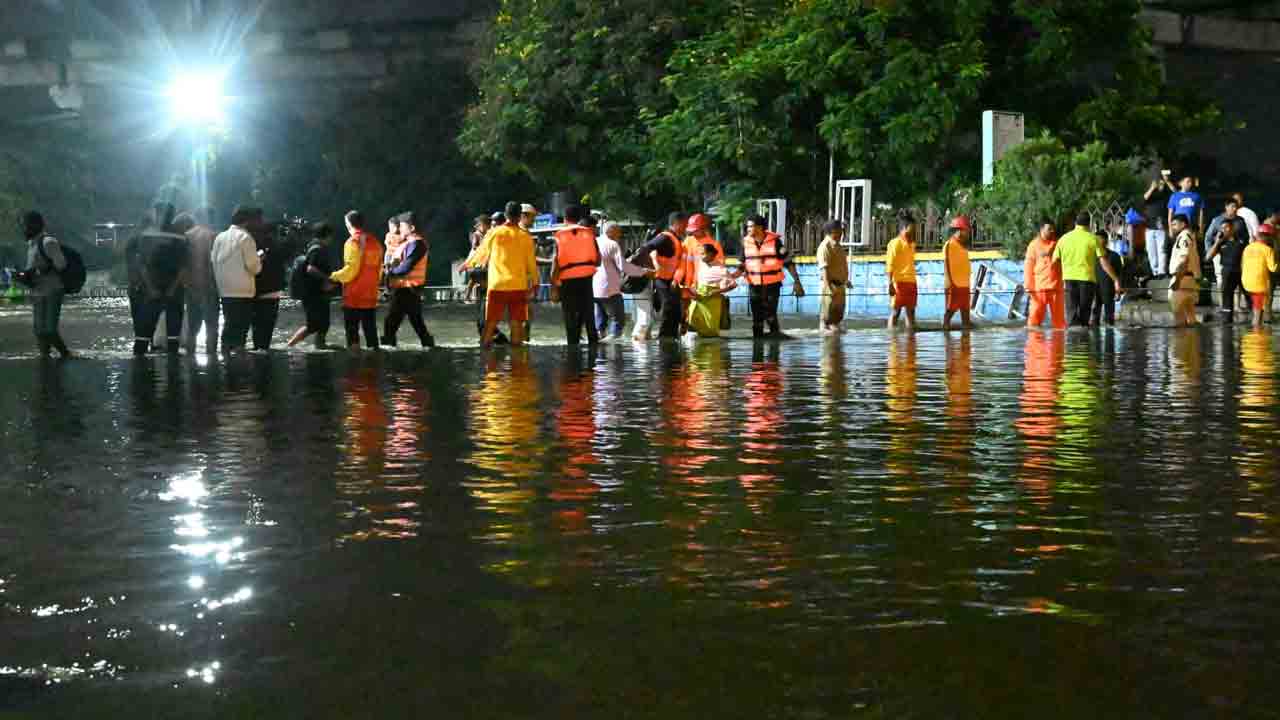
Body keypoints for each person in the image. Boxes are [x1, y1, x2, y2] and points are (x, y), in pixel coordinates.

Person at [470, 201, 538, 347]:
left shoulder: (494, 233)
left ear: (506, 215)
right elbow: (531, 264)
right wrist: (536, 284)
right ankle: (517, 366)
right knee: (516, 325)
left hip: (497, 285)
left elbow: (480, 255)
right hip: (518, 285)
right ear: (520, 216)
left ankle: (487, 364)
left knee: (490, 324)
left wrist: (467, 265)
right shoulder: (526, 237)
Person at [127, 203, 189, 355]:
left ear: (157, 213)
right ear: (173, 215)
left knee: (142, 336)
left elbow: (142, 265)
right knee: (173, 339)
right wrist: (173, 289)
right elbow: (183, 267)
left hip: (150, 291)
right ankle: (174, 373)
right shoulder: (181, 238)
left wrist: (151, 288)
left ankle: (141, 372)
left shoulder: (145, 236)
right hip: (174, 292)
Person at [733, 214, 804, 338]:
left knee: (770, 314)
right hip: (754, 285)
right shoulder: (745, 243)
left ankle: (774, 348)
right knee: (756, 318)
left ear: (760, 227)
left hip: (772, 284)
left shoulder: (775, 242)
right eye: (747, 227)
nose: (748, 229)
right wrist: (731, 277)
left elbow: (788, 263)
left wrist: (797, 282)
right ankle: (757, 347)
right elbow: (741, 266)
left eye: (751, 227)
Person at [1052, 213, 1122, 327]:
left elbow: (1054, 262)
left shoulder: (1063, 239)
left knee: (1071, 313)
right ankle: (1084, 341)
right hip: (1087, 281)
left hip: (1069, 280)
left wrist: (1063, 273)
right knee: (1085, 314)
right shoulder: (1093, 239)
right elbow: (1104, 263)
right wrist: (1116, 279)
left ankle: (1072, 341)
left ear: (1075, 223)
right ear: (1088, 224)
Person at [212, 205, 264, 355]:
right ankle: (237, 364)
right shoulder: (245, 237)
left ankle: (224, 358)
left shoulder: (219, 237)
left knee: (229, 325)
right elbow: (254, 267)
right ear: (247, 221)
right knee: (240, 330)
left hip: (224, 289)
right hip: (243, 291)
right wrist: (259, 259)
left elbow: (213, 261)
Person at [20, 211, 72, 359]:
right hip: (37, 291)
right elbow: (32, 268)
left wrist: (41, 270)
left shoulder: (49, 242)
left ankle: (66, 354)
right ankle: (45, 360)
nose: (24, 229)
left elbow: (61, 265)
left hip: (53, 290)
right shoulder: (31, 244)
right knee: (38, 331)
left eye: (26, 225)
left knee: (49, 330)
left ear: (35, 225)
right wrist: (24, 276)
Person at [330, 210, 384, 350]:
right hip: (370, 294)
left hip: (354, 296)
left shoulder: (352, 242)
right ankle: (375, 364)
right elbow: (380, 270)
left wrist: (333, 276)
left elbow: (351, 270)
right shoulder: (376, 242)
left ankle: (354, 366)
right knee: (370, 331)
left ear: (348, 224)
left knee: (352, 332)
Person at [550, 204, 602, 346]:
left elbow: (556, 262)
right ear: (579, 218)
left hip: (567, 281)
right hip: (586, 279)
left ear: (565, 219)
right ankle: (593, 351)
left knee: (570, 318)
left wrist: (553, 285)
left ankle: (572, 350)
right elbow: (598, 261)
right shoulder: (589, 234)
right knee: (589, 316)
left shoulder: (559, 235)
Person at [382, 211, 434, 347]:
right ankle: (430, 348)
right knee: (417, 323)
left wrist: (389, 273)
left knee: (390, 323)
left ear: (412, 228)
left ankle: (387, 352)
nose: (400, 229)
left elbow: (406, 267)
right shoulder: (409, 243)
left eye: (403, 226)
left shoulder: (417, 244)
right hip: (407, 289)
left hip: (407, 289)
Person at [593, 221, 651, 341]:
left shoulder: (595, 241)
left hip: (594, 289)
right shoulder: (612, 244)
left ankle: (599, 351)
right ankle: (611, 349)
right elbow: (624, 267)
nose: (620, 235)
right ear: (611, 231)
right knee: (618, 323)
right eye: (618, 231)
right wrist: (644, 271)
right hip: (610, 289)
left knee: (600, 325)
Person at [287, 222, 336, 349]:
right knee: (313, 325)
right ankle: (290, 345)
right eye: (331, 236)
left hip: (318, 293)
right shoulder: (317, 249)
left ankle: (320, 345)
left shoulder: (316, 247)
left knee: (324, 323)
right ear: (327, 235)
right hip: (313, 294)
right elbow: (310, 269)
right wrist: (328, 279)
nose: (332, 239)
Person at [675, 213, 724, 332]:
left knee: (702, 316)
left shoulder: (714, 245)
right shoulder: (688, 242)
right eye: (692, 231)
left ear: (704, 229)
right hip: (688, 287)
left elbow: (719, 268)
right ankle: (685, 338)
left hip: (705, 288)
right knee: (685, 316)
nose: (693, 233)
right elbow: (682, 263)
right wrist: (677, 280)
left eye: (696, 230)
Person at [179, 208, 219, 355]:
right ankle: (212, 361)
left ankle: (191, 362)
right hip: (210, 287)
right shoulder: (214, 236)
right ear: (210, 218)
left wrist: (186, 284)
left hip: (191, 288)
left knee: (193, 328)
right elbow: (215, 264)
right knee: (211, 328)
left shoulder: (186, 236)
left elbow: (182, 265)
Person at [643, 212, 689, 339]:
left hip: (672, 280)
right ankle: (664, 337)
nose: (686, 227)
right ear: (676, 224)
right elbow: (647, 247)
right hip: (661, 279)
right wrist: (654, 263)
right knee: (668, 306)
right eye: (684, 224)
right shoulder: (665, 237)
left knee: (675, 309)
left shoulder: (676, 238)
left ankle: (672, 336)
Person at [685, 243, 738, 338]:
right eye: (700, 254)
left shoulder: (721, 269)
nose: (700, 257)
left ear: (710, 254)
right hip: (699, 297)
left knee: (710, 328)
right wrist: (693, 288)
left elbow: (733, 284)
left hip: (713, 300)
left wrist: (716, 292)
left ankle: (712, 349)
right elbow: (698, 278)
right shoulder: (702, 264)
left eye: (703, 254)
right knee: (691, 318)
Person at [250, 209, 285, 351]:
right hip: (270, 289)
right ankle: (263, 355)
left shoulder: (249, 238)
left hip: (252, 289)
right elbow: (284, 254)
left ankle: (257, 350)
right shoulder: (271, 243)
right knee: (266, 328)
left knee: (256, 326)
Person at [1205, 210, 1248, 324]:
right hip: (1227, 272)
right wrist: (1217, 242)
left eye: (1226, 227)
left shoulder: (1242, 241)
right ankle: (1227, 321)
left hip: (1242, 272)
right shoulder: (1220, 243)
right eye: (1222, 228)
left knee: (1249, 296)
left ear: (1232, 228)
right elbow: (1208, 257)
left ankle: (1255, 319)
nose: (1224, 230)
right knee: (1227, 297)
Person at [1025, 219, 1066, 329]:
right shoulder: (1033, 245)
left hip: (1056, 288)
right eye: (1049, 229)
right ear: (1041, 229)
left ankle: (1058, 345)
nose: (1052, 231)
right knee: (1033, 323)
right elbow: (1029, 266)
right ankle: (1035, 345)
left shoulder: (1058, 244)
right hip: (1039, 289)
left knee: (1060, 325)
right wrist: (1029, 286)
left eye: (1053, 229)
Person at [885, 210, 918, 331]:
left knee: (911, 313)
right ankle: (892, 339)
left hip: (912, 282)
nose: (914, 231)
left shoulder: (912, 244)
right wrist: (890, 284)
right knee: (896, 312)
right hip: (898, 283)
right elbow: (890, 265)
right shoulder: (894, 243)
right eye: (911, 228)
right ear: (904, 228)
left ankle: (911, 340)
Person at [1167, 213, 1202, 327]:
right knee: (1190, 317)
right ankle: (1190, 342)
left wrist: (1177, 279)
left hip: (1182, 278)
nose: (1172, 227)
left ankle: (1181, 342)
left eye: (1175, 224)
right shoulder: (1189, 236)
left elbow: (1184, 260)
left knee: (1178, 317)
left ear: (1183, 224)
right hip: (1189, 279)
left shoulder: (1184, 237)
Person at [1241, 223, 1278, 329]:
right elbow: (1273, 268)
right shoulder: (1268, 250)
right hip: (1259, 284)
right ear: (1268, 237)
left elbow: (1242, 264)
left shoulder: (1247, 248)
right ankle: (1256, 335)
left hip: (1246, 283)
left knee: (1256, 308)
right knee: (1258, 313)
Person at [816, 219, 848, 335]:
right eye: (839, 231)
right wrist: (827, 288)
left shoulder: (838, 246)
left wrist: (846, 280)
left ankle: (836, 348)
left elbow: (840, 266)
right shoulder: (825, 247)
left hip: (840, 286)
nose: (841, 233)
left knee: (837, 317)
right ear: (831, 231)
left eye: (841, 231)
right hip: (830, 285)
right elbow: (824, 268)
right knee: (826, 318)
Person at [942, 215, 973, 331]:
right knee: (950, 311)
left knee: (965, 314)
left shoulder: (963, 247)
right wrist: (950, 282)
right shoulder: (949, 245)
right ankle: (945, 331)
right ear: (959, 230)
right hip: (954, 286)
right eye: (966, 231)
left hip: (964, 286)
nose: (968, 234)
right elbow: (947, 264)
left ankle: (965, 344)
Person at [1091, 233, 1125, 326]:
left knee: (1109, 318)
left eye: (1100, 240)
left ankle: (1109, 335)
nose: (1098, 242)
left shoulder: (1114, 256)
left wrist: (1118, 291)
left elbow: (1119, 274)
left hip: (1109, 290)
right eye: (1096, 240)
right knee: (1094, 317)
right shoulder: (1091, 256)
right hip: (1094, 289)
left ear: (1106, 241)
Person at [1167, 176, 1205, 259]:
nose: (1190, 184)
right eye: (1187, 181)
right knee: (1179, 250)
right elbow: (1170, 214)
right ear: (1181, 183)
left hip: (1192, 228)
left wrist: (1201, 229)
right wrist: (1170, 229)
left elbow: (1201, 213)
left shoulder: (1197, 196)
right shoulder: (1175, 196)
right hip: (1178, 229)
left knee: (1192, 250)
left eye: (1190, 182)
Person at [465, 214, 492, 302]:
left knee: (483, 279)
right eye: (484, 225)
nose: (486, 227)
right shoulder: (476, 235)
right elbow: (474, 246)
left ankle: (481, 295)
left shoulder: (488, 234)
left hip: (484, 260)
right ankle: (467, 296)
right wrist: (483, 249)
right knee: (473, 280)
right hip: (476, 261)